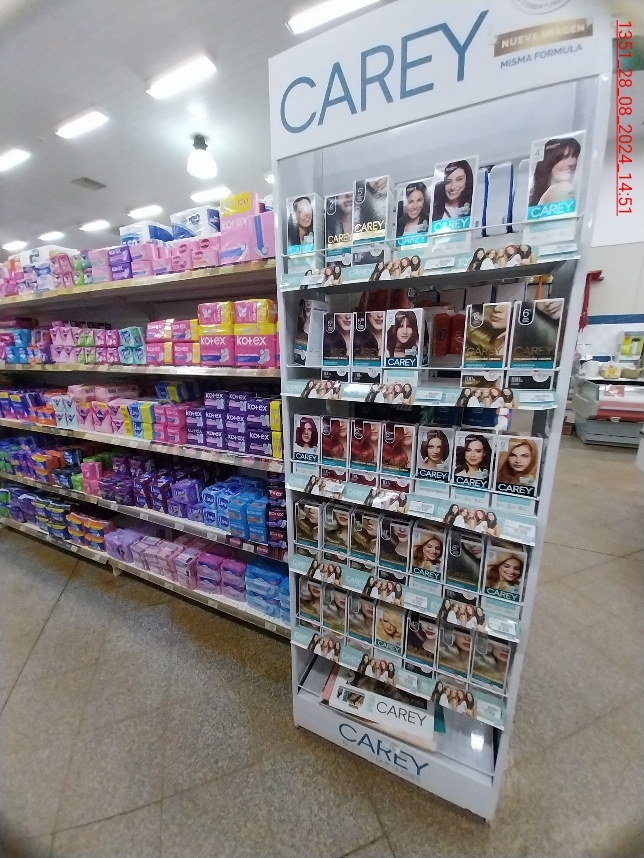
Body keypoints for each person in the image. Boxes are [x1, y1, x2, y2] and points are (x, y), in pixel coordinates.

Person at [529, 136, 581, 207]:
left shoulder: (540, 199)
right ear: (548, 162)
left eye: (574, 156)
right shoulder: (564, 189)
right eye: (563, 157)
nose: (571, 162)